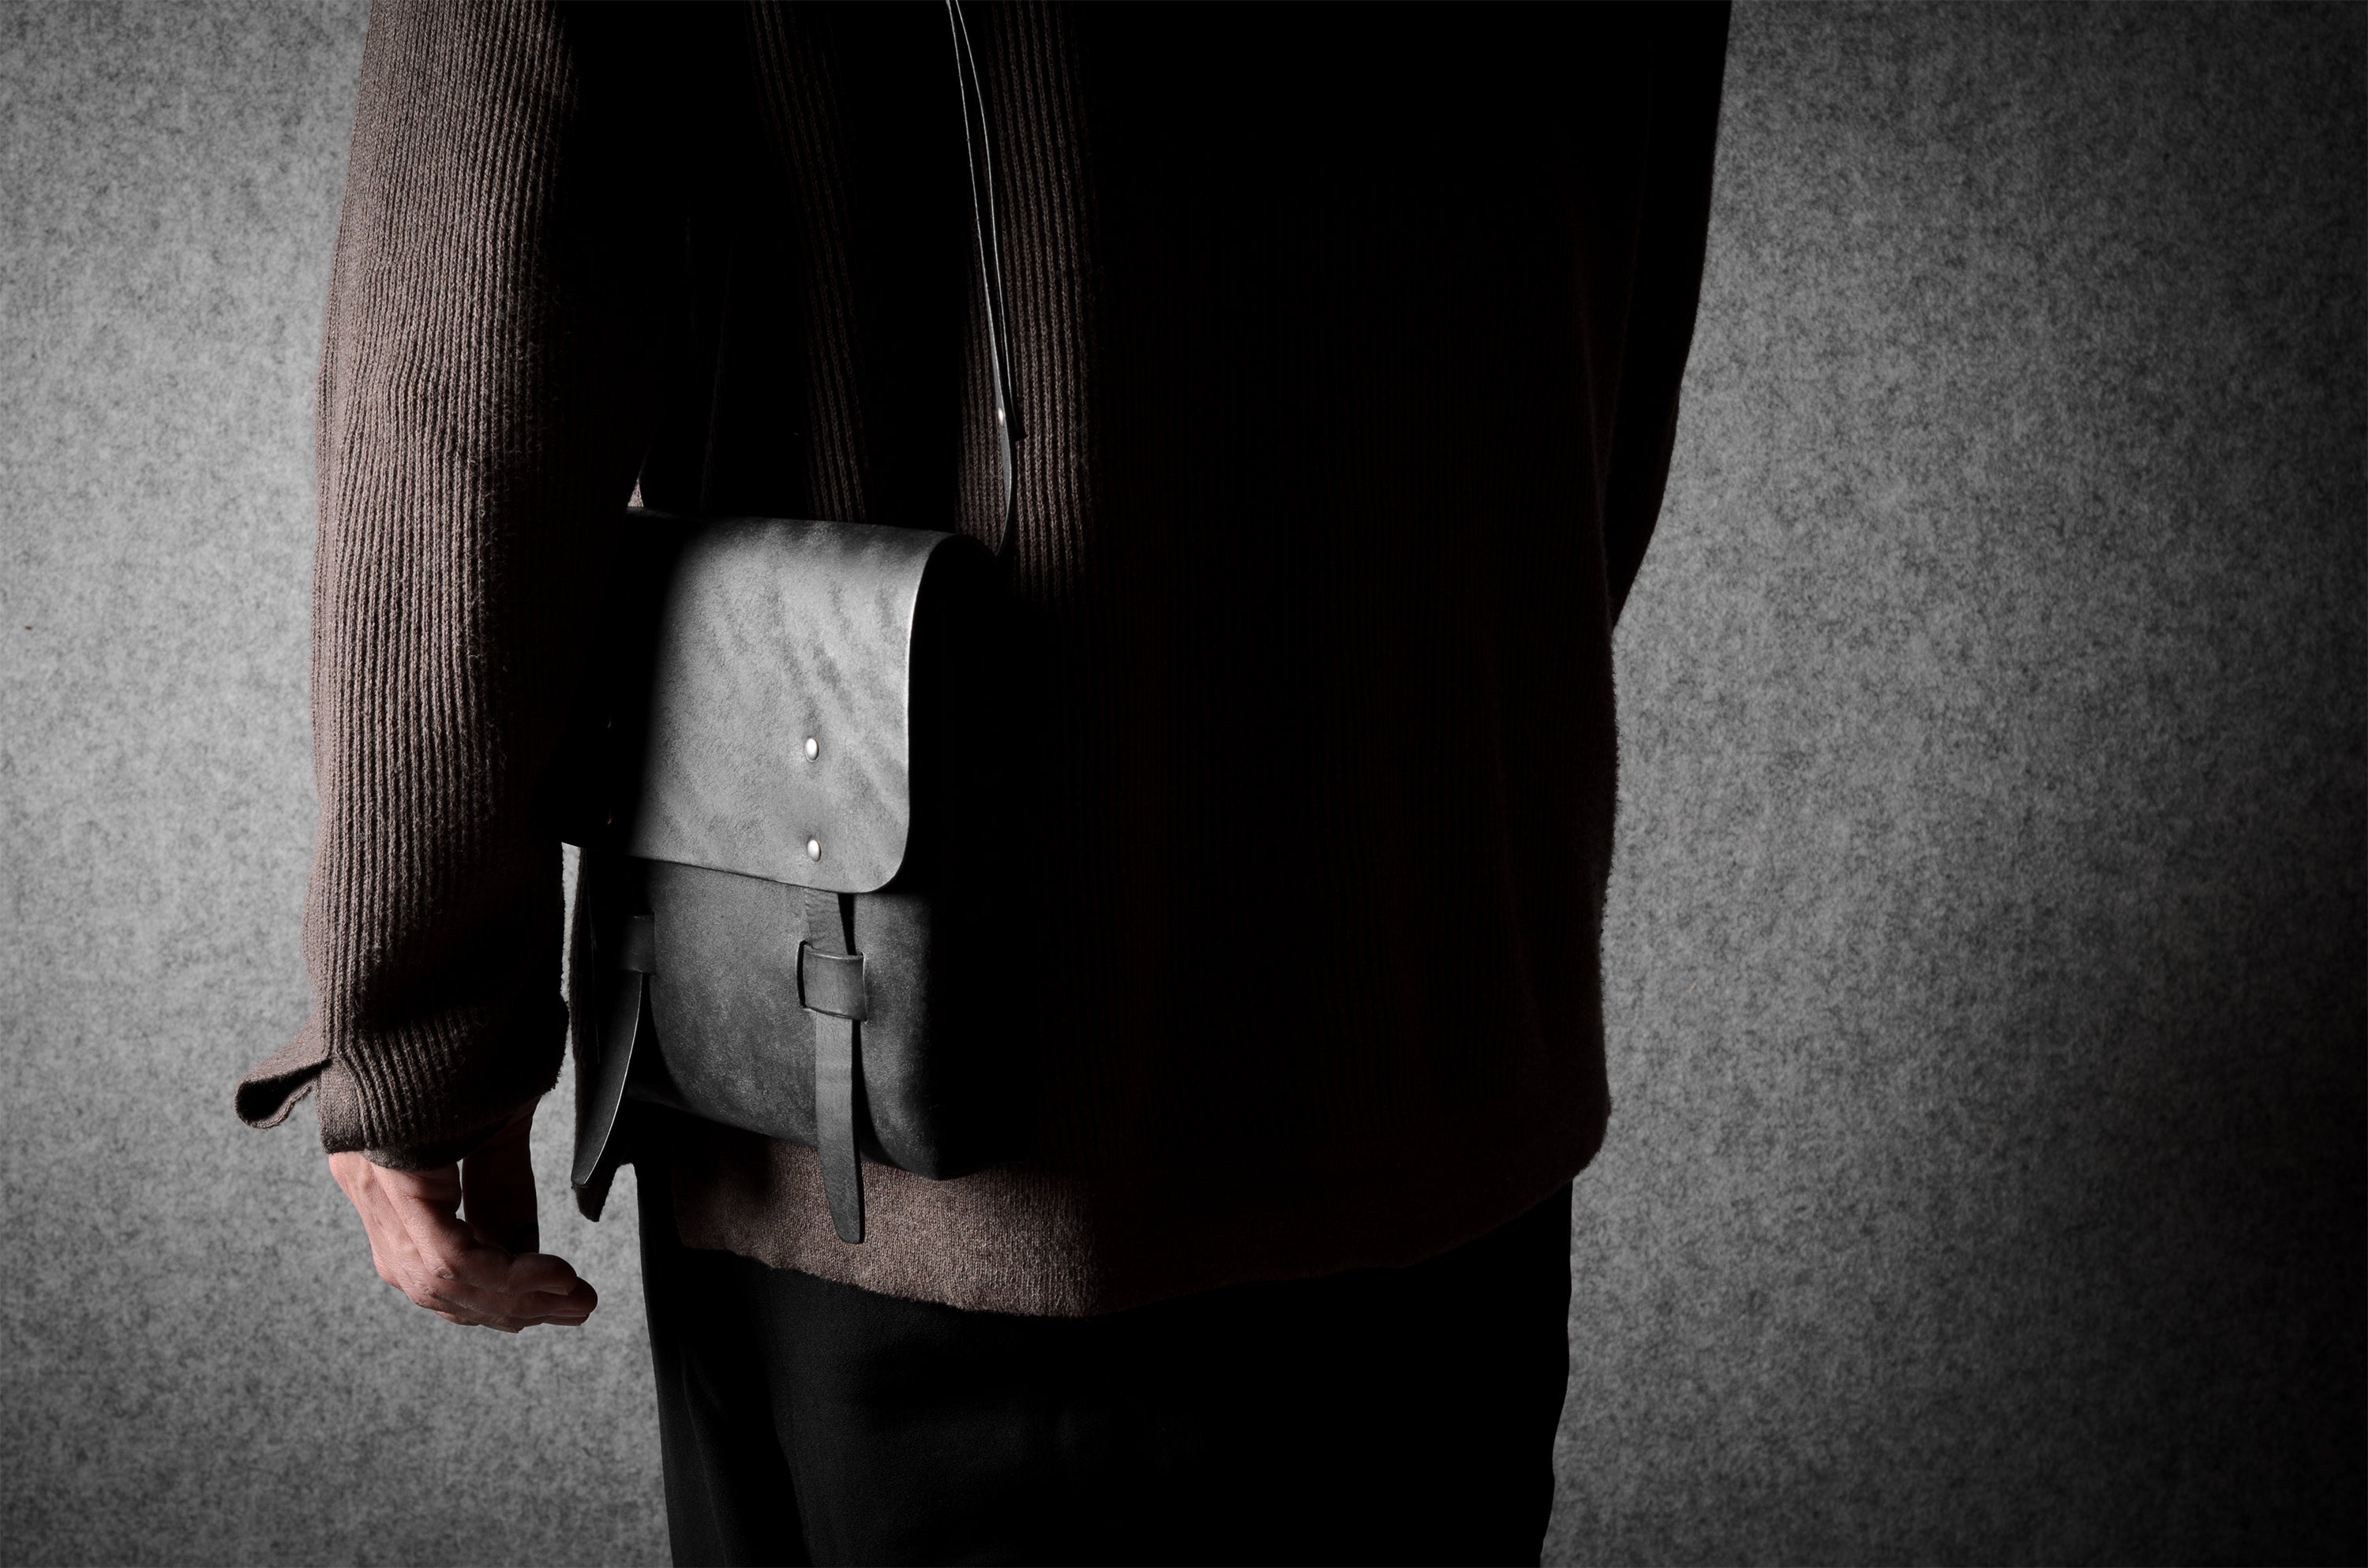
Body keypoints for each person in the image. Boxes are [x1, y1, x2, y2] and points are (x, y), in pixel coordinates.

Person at [235, 4, 1729, 1562]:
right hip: (1443, 1063)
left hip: (901, 1130)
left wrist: (419, 1033)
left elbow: (463, 374)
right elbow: (1609, 320)